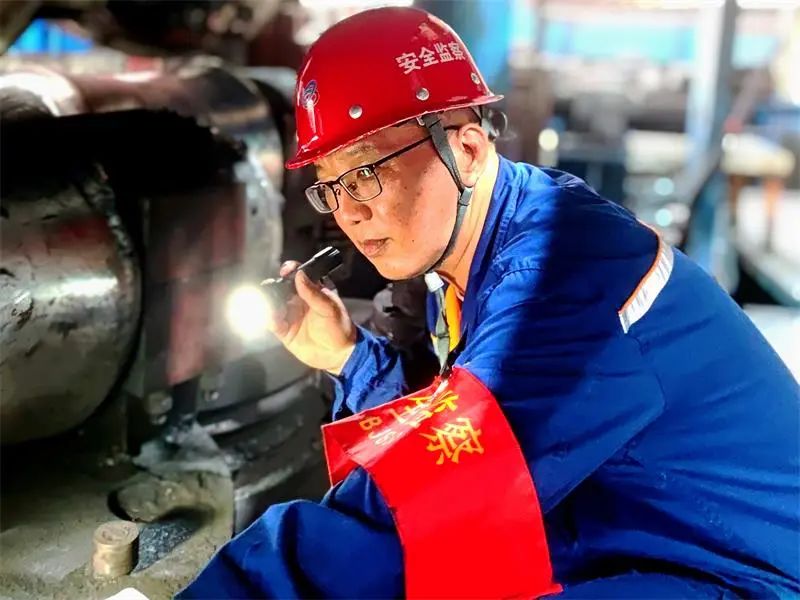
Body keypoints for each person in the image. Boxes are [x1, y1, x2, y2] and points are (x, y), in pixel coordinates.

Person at [178, 7, 799, 599]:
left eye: (365, 174)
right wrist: (347, 356)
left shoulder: (559, 276)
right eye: (330, 186)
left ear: (468, 151)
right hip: (630, 537)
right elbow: (462, 428)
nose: (349, 213)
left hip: (741, 571)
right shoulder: (473, 257)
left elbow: (430, 502)